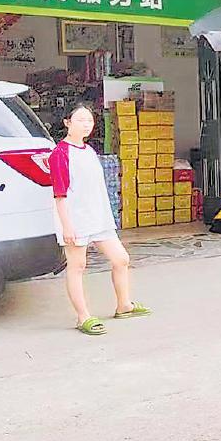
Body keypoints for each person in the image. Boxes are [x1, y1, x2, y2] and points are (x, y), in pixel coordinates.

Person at [51, 103, 150, 336]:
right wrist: (67, 227)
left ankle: (124, 305)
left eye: (89, 120)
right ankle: (83, 316)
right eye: (80, 120)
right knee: (77, 266)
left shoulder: (89, 151)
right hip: (75, 220)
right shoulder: (60, 154)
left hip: (98, 218)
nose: (86, 125)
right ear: (67, 123)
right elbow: (59, 194)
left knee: (121, 259)